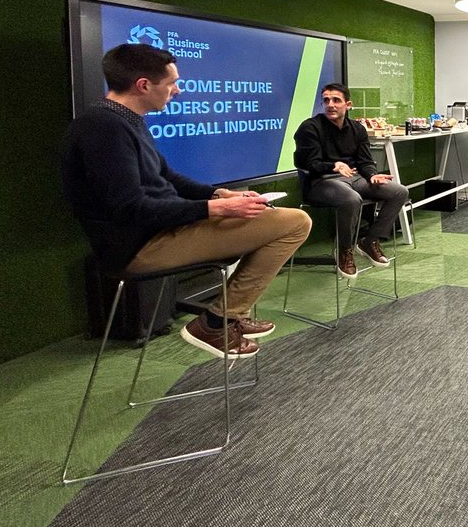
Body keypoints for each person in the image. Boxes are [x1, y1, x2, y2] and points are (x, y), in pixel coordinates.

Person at [61, 44, 312, 359]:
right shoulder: (103, 128)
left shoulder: (125, 119)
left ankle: (227, 316)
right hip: (141, 248)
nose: (177, 90)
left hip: (165, 231)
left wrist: (219, 195)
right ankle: (217, 321)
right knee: (295, 223)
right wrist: (215, 209)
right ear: (143, 85)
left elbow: (166, 175)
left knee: (272, 219)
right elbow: (128, 207)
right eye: (171, 83)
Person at [293, 83, 410, 279]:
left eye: (336, 100)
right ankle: (345, 251)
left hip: (354, 178)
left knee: (399, 191)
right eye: (326, 100)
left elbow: (364, 161)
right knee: (352, 199)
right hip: (321, 182)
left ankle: (369, 241)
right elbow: (307, 163)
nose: (330, 104)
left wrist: (372, 174)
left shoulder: (357, 129)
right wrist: (334, 165)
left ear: (348, 105)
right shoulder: (310, 127)